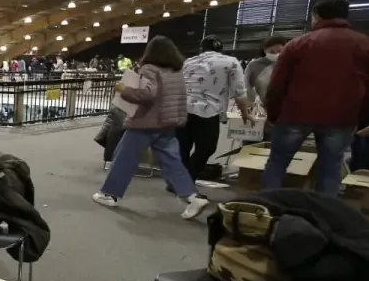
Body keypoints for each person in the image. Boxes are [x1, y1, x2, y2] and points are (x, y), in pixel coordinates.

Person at [262, 0, 369, 194]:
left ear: (316, 16)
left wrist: (273, 114)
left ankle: (267, 205)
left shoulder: (298, 44)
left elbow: (277, 84)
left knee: (277, 162)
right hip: (341, 117)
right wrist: (361, 118)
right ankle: (324, 209)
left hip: (296, 114)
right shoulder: (368, 45)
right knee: (330, 167)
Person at [92, 36, 209, 219]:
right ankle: (192, 197)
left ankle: (109, 194)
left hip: (145, 123)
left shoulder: (149, 69)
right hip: (168, 122)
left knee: (124, 159)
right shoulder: (177, 71)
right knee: (172, 162)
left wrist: (124, 90)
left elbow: (148, 94)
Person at [177, 36, 251, 181]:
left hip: (182, 109)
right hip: (208, 111)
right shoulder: (231, 62)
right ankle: (185, 182)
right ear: (220, 48)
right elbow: (239, 92)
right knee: (207, 148)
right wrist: (245, 113)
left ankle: (177, 181)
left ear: (201, 48)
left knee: (182, 148)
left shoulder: (188, 62)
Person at [244, 36, 288, 109]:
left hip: (287, 106)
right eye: (272, 52)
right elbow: (247, 85)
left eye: (279, 51)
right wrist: (250, 104)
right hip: (262, 106)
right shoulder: (254, 65)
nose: (276, 54)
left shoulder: (290, 64)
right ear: (265, 50)